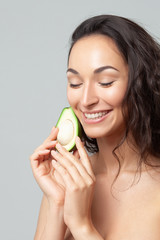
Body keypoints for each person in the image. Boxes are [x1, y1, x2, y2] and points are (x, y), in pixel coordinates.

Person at [30, 15, 160, 240]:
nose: (86, 99)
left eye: (106, 82)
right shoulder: (68, 179)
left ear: (141, 83)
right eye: (75, 83)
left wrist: (82, 227)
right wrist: (57, 204)